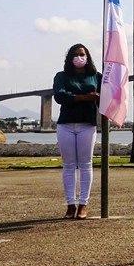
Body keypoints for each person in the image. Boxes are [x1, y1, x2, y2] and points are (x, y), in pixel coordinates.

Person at [53, 43, 102, 220]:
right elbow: (59, 96)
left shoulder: (96, 76)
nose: (79, 57)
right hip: (65, 124)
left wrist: (74, 98)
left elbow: (105, 97)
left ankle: (83, 204)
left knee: (86, 164)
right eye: (75, 54)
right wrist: (86, 97)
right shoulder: (61, 76)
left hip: (87, 125)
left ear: (87, 57)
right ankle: (70, 204)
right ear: (69, 58)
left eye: (82, 54)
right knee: (68, 165)